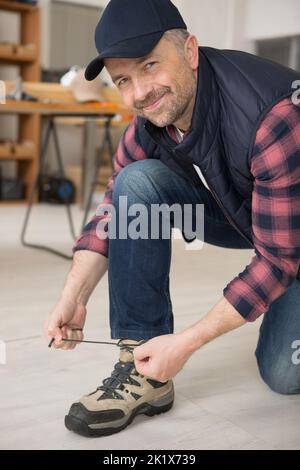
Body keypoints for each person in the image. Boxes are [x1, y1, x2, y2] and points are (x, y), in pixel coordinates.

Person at [44, 0, 300, 438]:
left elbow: (278, 257)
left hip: (286, 234)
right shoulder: (149, 120)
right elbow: (113, 210)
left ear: (191, 52)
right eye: (123, 79)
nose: (139, 92)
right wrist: (74, 293)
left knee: (282, 374)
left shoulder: (272, 115)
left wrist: (187, 343)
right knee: (135, 185)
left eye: (150, 65)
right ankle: (144, 371)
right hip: (254, 218)